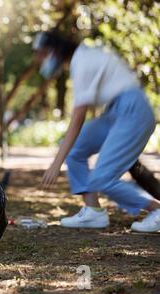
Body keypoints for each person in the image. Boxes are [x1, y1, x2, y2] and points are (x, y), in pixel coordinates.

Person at [32, 31, 160, 233]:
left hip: (133, 111)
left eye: (41, 55)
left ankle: (157, 210)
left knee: (102, 178)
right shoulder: (83, 57)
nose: (39, 61)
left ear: (54, 51)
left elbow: (77, 119)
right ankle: (94, 212)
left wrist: (55, 164)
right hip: (115, 112)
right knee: (74, 150)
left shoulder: (81, 62)